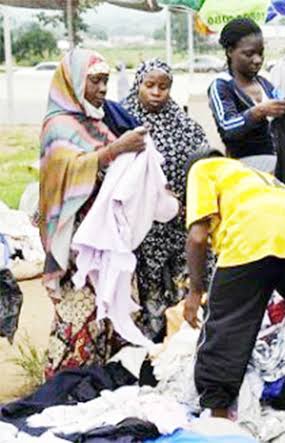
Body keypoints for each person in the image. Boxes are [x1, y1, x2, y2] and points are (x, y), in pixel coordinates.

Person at [183, 151, 285, 437]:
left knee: (226, 331)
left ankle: (219, 422)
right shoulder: (260, 178)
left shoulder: (202, 168)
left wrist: (195, 290)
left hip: (250, 241)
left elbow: (197, 236)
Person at [39, 49, 147, 376]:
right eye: (95, 81)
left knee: (111, 307)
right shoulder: (58, 125)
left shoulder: (97, 121)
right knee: (80, 309)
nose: (103, 89)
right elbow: (64, 170)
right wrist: (116, 150)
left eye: (106, 81)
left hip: (108, 235)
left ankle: (99, 381)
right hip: (76, 235)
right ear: (73, 82)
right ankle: (63, 383)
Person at [122, 59, 212, 342]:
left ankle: (184, 340)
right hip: (142, 227)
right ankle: (149, 345)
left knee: (185, 282)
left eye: (164, 86)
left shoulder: (185, 125)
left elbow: (203, 164)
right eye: (150, 85)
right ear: (138, 84)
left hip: (180, 223)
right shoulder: (121, 121)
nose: (157, 92)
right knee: (149, 286)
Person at [208, 18, 285, 173]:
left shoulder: (265, 84)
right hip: (247, 171)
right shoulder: (222, 86)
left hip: (279, 166)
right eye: (249, 54)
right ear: (230, 51)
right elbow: (227, 127)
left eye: (261, 53)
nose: (258, 60)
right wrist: (258, 111)